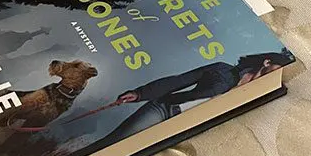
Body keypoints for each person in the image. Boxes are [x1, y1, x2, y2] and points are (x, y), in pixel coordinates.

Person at [116, 52, 293, 106]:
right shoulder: (222, 69)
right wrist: (139, 93)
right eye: (279, 65)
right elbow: (180, 80)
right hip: (168, 108)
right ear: (267, 62)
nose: (280, 71)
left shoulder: (262, 95)